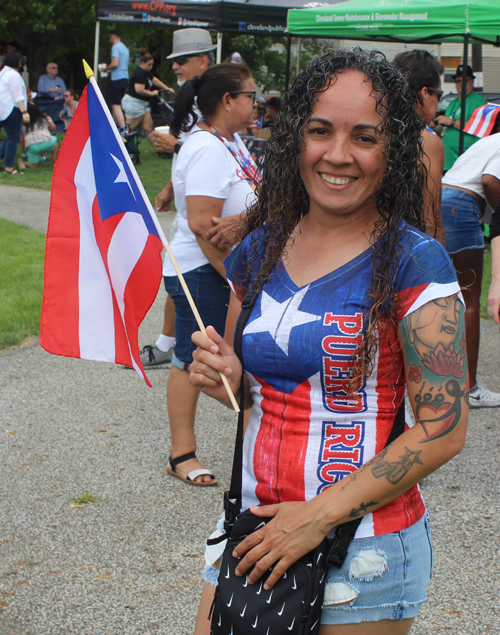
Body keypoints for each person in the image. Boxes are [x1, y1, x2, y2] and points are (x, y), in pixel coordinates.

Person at [189, 49, 468, 634]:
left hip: (363, 554)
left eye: (364, 137)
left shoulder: (418, 263)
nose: (338, 155)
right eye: (320, 131)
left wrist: (316, 518)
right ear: (296, 137)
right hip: (256, 534)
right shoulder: (259, 250)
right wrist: (227, 380)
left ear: (391, 150)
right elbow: (253, 396)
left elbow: (443, 429)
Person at [164, 63, 258, 487]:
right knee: (193, 359)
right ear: (227, 101)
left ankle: (254, 447)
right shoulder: (205, 146)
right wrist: (238, 280)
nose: (255, 103)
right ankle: (181, 453)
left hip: (226, 270)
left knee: (235, 360)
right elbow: (204, 225)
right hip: (204, 271)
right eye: (250, 96)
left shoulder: (230, 141)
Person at [140, 28, 217, 369]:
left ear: (203, 59)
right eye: (173, 61)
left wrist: (178, 146)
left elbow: (217, 149)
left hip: (207, 207)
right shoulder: (192, 97)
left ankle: (179, 349)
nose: (175, 67)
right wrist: (170, 189)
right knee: (179, 271)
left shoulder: (216, 99)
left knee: (183, 273)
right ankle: (170, 344)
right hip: (190, 202)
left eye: (182, 60)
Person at [440, 132, 500, 407]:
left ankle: (438, 382)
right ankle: (469, 389)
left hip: (442, 197)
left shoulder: (490, 141)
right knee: (469, 301)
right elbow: (490, 179)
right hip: (462, 206)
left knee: (443, 297)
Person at [393, 50, 445, 244]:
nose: (438, 103)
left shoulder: (371, 132)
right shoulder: (426, 141)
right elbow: (431, 217)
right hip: (404, 251)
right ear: (424, 92)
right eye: (438, 95)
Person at [434, 64, 486, 171]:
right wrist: (436, 124)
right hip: (447, 163)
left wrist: (452, 122)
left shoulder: (479, 102)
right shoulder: (453, 102)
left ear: (472, 81)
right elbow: (445, 127)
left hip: (464, 164)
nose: (461, 83)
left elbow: (478, 127)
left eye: (465, 80)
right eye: (458, 80)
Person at [121, 51, 173, 149]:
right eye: (149, 65)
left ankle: (159, 150)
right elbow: (139, 90)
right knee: (129, 130)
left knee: (148, 128)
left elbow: (155, 80)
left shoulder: (146, 73)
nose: (151, 67)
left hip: (142, 104)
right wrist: (152, 93)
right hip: (134, 104)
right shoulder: (139, 74)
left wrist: (167, 88)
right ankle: (123, 151)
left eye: (152, 65)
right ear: (143, 63)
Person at [0, 51, 30, 175]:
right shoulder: (14, 75)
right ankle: (9, 167)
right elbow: (18, 96)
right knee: (13, 138)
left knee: (9, 138)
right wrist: (24, 111)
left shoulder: (2, 73)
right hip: (12, 109)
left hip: (2, 109)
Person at [17, 102, 58, 169]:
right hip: (47, 142)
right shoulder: (43, 119)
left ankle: (24, 163)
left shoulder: (23, 124)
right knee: (54, 140)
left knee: (34, 165)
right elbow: (53, 129)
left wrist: (25, 152)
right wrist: (50, 120)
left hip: (32, 146)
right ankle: (54, 162)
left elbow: (22, 140)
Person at [104, 29, 129, 132]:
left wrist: (105, 69)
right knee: (116, 103)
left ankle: (123, 128)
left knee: (115, 105)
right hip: (125, 78)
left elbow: (115, 63)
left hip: (117, 78)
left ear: (113, 37)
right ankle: (113, 127)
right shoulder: (125, 48)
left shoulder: (115, 47)